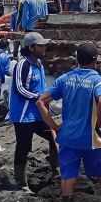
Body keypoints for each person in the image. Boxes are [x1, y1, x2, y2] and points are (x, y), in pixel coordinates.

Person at [38, 42, 101, 202]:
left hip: (68, 138)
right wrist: (99, 123)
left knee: (67, 180)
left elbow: (40, 101)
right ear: (95, 61)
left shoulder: (65, 78)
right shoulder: (96, 80)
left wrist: (54, 126)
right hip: (91, 139)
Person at [9, 31, 59, 190]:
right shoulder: (22, 64)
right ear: (31, 47)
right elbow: (19, 88)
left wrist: (45, 102)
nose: (44, 48)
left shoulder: (39, 65)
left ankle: (56, 171)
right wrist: (38, 98)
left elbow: (43, 88)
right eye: (41, 45)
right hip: (24, 114)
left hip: (39, 114)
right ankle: (20, 182)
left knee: (55, 137)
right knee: (23, 146)